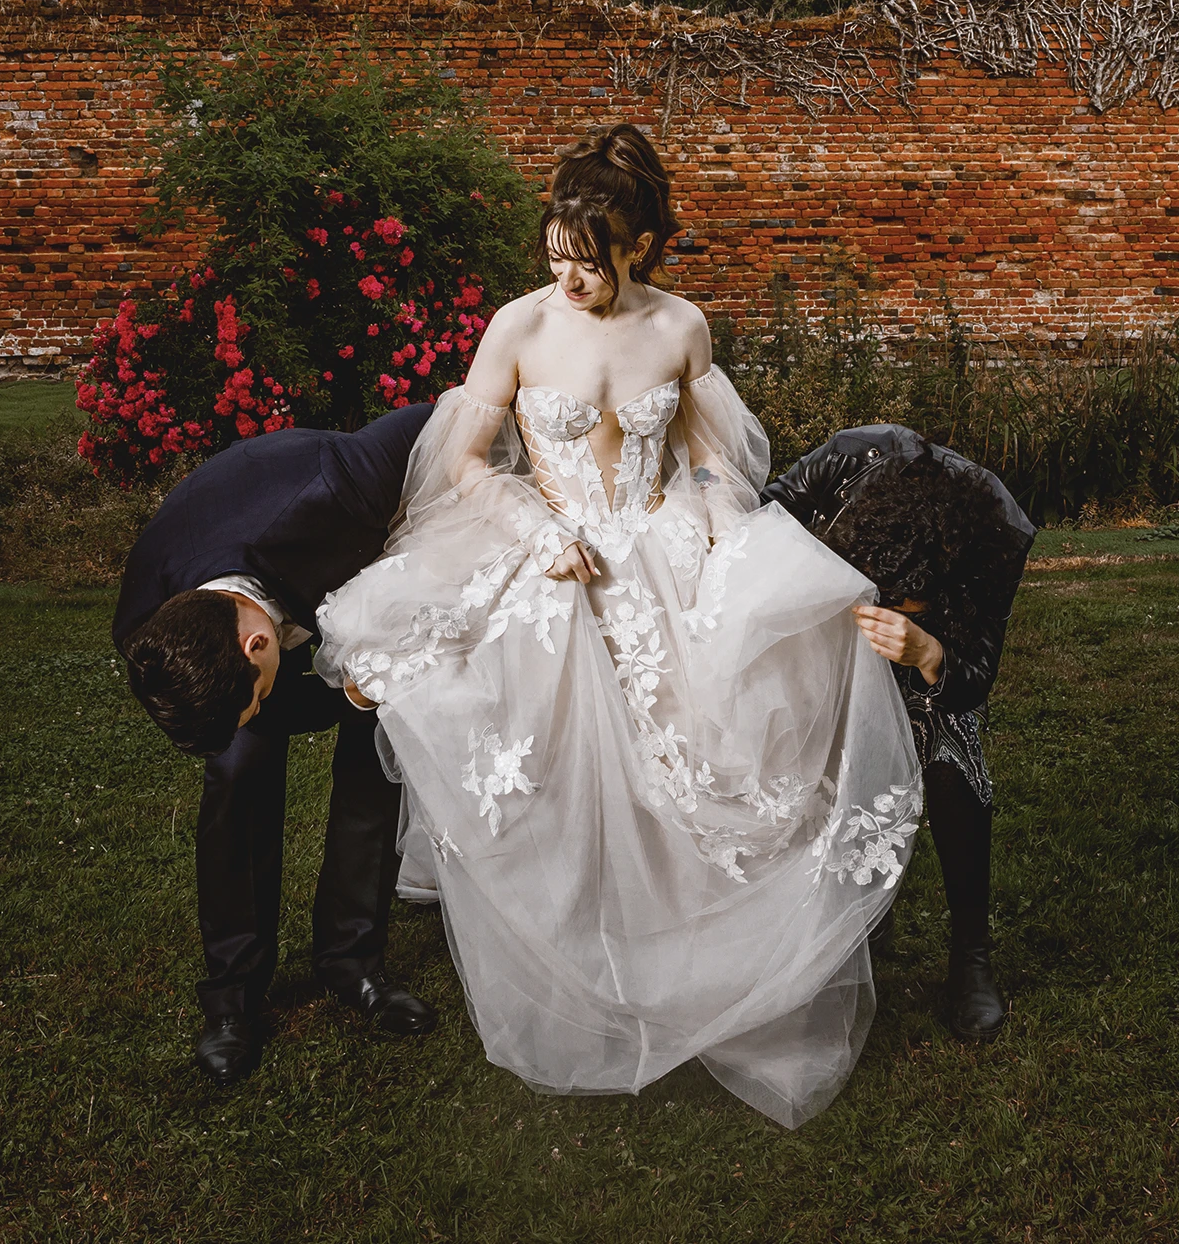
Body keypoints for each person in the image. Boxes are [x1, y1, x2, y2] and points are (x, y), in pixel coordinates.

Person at [314, 124, 923, 1128]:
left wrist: (726, 532)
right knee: (551, 756)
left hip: (657, 543)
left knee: (690, 750)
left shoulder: (682, 328)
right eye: (556, 254)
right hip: (550, 548)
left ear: (639, 247)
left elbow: (710, 455)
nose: (568, 279)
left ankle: (685, 951)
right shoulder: (519, 327)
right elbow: (465, 461)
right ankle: (572, 949)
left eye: (590, 263)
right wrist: (534, 528)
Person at [113, 402, 439, 1085]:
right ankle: (232, 999)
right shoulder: (147, 624)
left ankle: (353, 964)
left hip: (344, 572)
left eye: (257, 697)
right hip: (235, 588)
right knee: (237, 774)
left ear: (257, 646)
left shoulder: (341, 481)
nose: (262, 709)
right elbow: (237, 711)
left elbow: (443, 416)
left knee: (373, 760)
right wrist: (256, 713)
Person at [763, 429, 1035, 1042]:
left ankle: (971, 958)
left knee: (951, 753)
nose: (889, 606)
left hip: (929, 663)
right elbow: (758, 524)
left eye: (903, 599)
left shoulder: (997, 533)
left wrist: (931, 653)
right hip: (823, 633)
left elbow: (976, 679)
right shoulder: (846, 461)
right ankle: (852, 915)